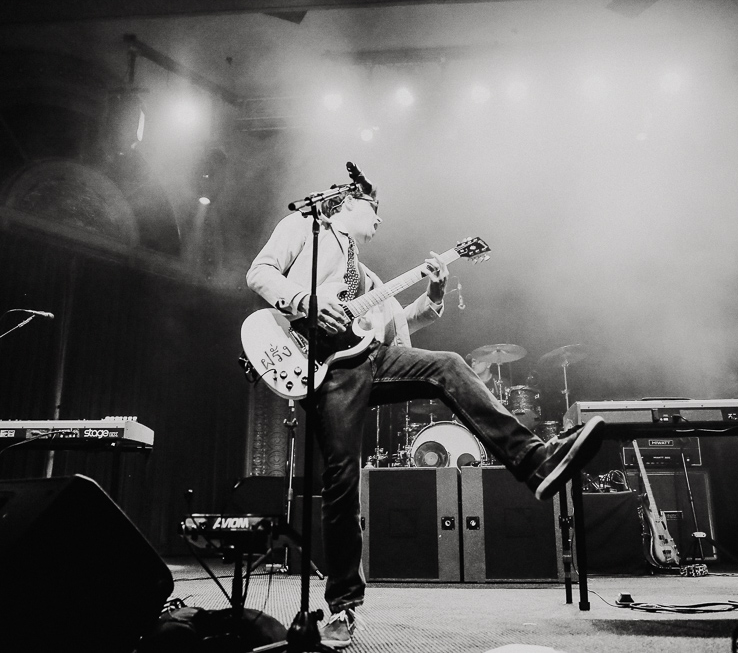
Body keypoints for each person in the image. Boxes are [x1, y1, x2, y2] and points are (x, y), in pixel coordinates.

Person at [246, 171, 604, 649]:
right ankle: (343, 608)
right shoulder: (305, 228)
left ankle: (536, 460)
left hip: (370, 357)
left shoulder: (368, 278)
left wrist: (434, 292)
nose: (380, 220)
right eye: (376, 211)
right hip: (325, 367)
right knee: (341, 483)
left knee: (448, 366)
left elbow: (403, 320)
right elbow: (260, 272)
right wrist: (303, 299)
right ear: (350, 203)